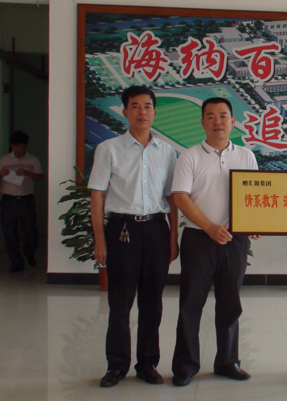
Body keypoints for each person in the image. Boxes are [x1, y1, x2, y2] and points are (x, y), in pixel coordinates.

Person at [88, 86, 178, 388]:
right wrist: (100, 239)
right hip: (122, 230)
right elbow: (97, 196)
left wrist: (173, 238)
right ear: (125, 111)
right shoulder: (109, 149)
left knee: (152, 303)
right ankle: (116, 366)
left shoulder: (166, 151)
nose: (142, 112)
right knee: (120, 302)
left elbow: (172, 198)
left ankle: (147, 364)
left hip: (156, 229)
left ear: (154, 111)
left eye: (148, 106)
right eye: (136, 106)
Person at [171, 97, 258, 387]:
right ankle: (186, 365)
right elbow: (180, 197)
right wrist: (209, 227)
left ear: (233, 122)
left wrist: (252, 222)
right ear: (202, 122)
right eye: (210, 116)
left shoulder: (246, 156)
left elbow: (253, 195)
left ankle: (228, 362)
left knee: (230, 302)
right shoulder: (189, 156)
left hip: (235, 239)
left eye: (223, 116)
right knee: (190, 304)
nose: (217, 121)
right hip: (199, 238)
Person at [0, 131, 43, 272]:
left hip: (26, 200)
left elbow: (40, 178)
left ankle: (29, 252)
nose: (18, 150)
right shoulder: (4, 160)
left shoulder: (33, 160)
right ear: (11, 146)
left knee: (31, 231)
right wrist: (1, 174)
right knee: (9, 233)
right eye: (15, 147)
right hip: (8, 201)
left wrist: (27, 173)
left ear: (26, 146)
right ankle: (17, 262)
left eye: (21, 147)